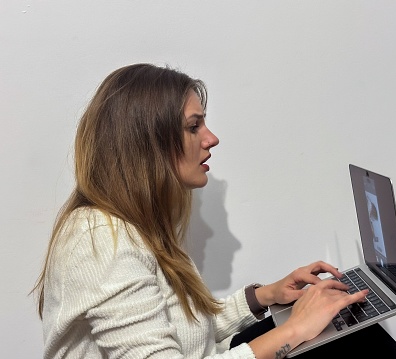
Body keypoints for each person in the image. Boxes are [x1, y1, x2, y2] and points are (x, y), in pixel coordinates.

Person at [33, 63, 368, 359]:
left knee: (349, 325)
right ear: (149, 142)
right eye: (194, 127)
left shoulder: (138, 226)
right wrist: (293, 330)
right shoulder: (102, 242)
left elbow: (188, 338)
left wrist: (264, 297)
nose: (212, 138)